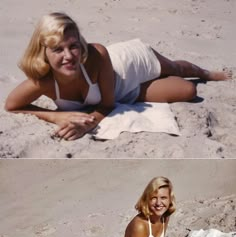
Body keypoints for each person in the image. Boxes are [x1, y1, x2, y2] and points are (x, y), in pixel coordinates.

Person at [5, 12, 231, 141]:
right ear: (43, 51)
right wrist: (55, 117)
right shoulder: (43, 81)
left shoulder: (97, 54)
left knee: (177, 70)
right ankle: (155, 86)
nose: (68, 56)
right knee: (187, 91)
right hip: (125, 92)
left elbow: (107, 104)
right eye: (57, 50)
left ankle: (206, 73)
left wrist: (85, 126)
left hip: (128, 66)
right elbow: (12, 106)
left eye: (73, 46)